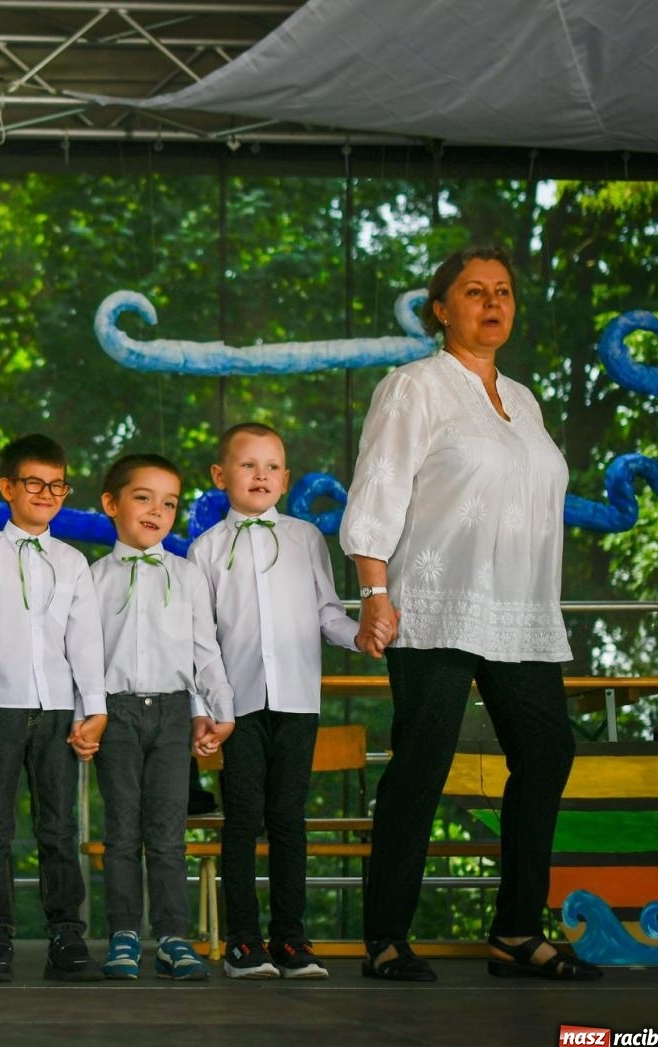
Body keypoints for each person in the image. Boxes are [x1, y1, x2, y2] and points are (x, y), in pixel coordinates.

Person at [340, 245, 601, 982]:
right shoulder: (414, 387)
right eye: (474, 291)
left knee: (548, 754)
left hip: (516, 610)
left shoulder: (526, 399)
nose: (493, 303)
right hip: (434, 603)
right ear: (440, 309)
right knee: (422, 766)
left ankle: (516, 932)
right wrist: (375, 592)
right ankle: (386, 937)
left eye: (505, 292)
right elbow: (380, 489)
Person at [189, 423, 387, 980]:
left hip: (298, 702)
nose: (261, 476)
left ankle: (292, 939)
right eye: (248, 465)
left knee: (289, 820)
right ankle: (243, 942)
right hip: (238, 709)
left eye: (272, 466)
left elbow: (326, 615)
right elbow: (200, 640)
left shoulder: (306, 540)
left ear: (286, 478)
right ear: (220, 476)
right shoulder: (204, 551)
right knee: (242, 818)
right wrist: (204, 708)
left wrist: (362, 633)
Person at [0, 433, 108, 983]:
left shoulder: (73, 562)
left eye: (57, 485)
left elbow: (85, 641)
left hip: (60, 710)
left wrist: (95, 708)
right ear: (7, 487)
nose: (47, 493)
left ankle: (66, 939)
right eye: (34, 483)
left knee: (58, 829)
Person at [90, 452, 234, 982]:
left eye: (169, 502)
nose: (157, 511)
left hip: (174, 713)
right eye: (143, 498)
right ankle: (124, 934)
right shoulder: (93, 578)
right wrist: (91, 713)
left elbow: (204, 649)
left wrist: (218, 708)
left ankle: (174, 936)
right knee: (122, 831)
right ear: (111, 504)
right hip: (117, 713)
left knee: (169, 833)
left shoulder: (188, 574)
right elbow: (82, 656)